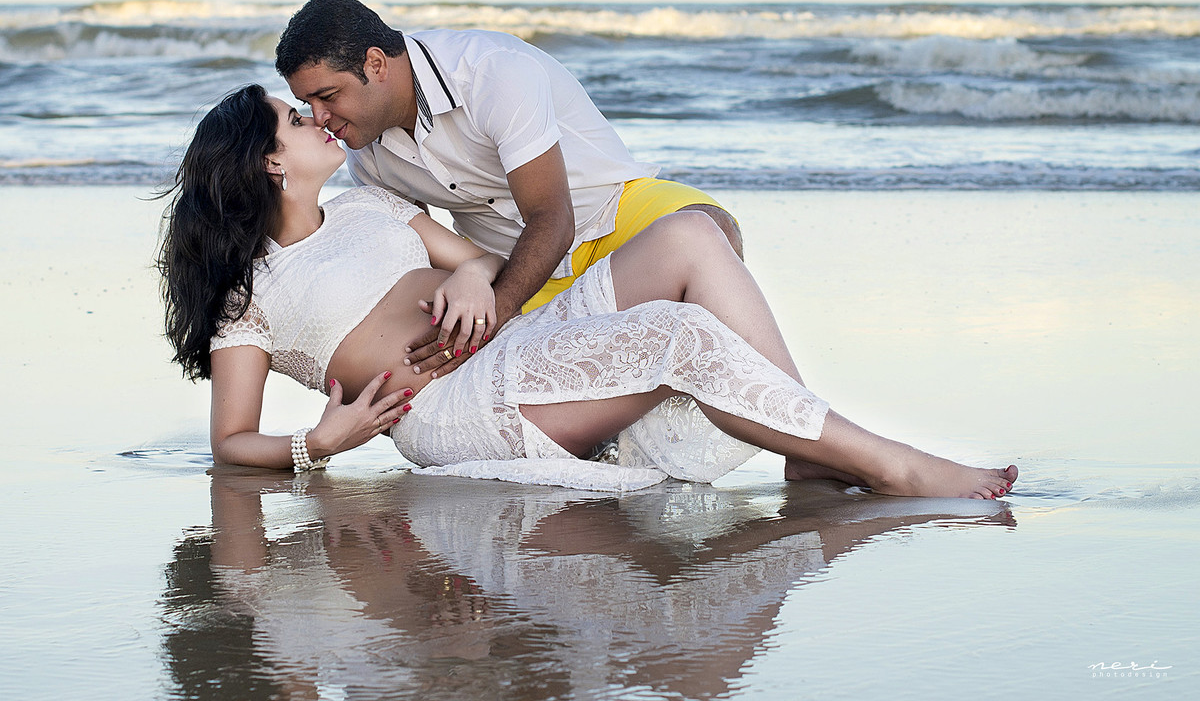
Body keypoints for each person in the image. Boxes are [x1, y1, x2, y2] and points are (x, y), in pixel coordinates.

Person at [157, 84, 1018, 499]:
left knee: (689, 235)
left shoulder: (371, 204)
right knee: (676, 332)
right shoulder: (247, 295)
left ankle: (808, 443)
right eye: (295, 119)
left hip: (516, 338)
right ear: (270, 163)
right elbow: (230, 441)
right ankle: (892, 464)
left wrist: (471, 273)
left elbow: (482, 264)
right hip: (453, 404)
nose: (316, 119)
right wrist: (319, 442)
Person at [274, 0, 743, 379]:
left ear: (376, 64)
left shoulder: (490, 71)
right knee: (459, 351)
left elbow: (551, 217)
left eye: (327, 96)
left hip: (611, 212)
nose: (320, 118)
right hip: (509, 268)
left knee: (712, 232)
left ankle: (748, 414)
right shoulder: (365, 151)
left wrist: (496, 315)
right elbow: (413, 257)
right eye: (306, 104)